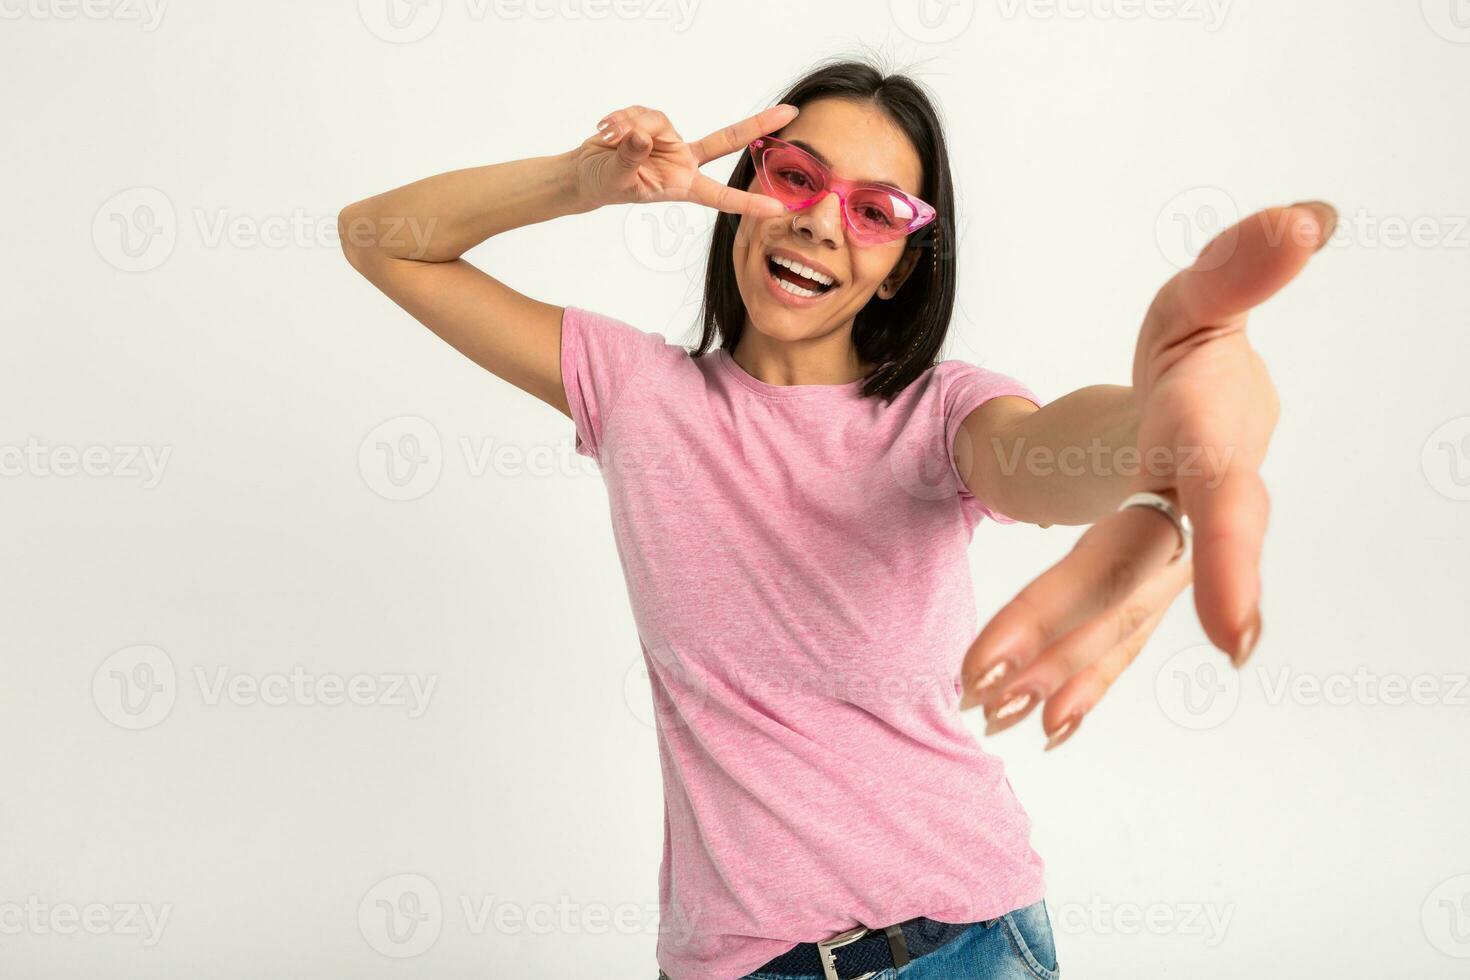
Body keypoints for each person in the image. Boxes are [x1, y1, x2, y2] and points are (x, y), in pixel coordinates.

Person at [338, 56, 1332, 980]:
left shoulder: (943, 414)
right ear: (740, 191)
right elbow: (378, 239)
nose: (820, 224)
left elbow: (1051, 458)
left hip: (966, 941)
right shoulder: (634, 388)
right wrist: (577, 184)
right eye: (797, 178)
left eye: (875, 210)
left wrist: (1170, 415)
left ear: (902, 263)